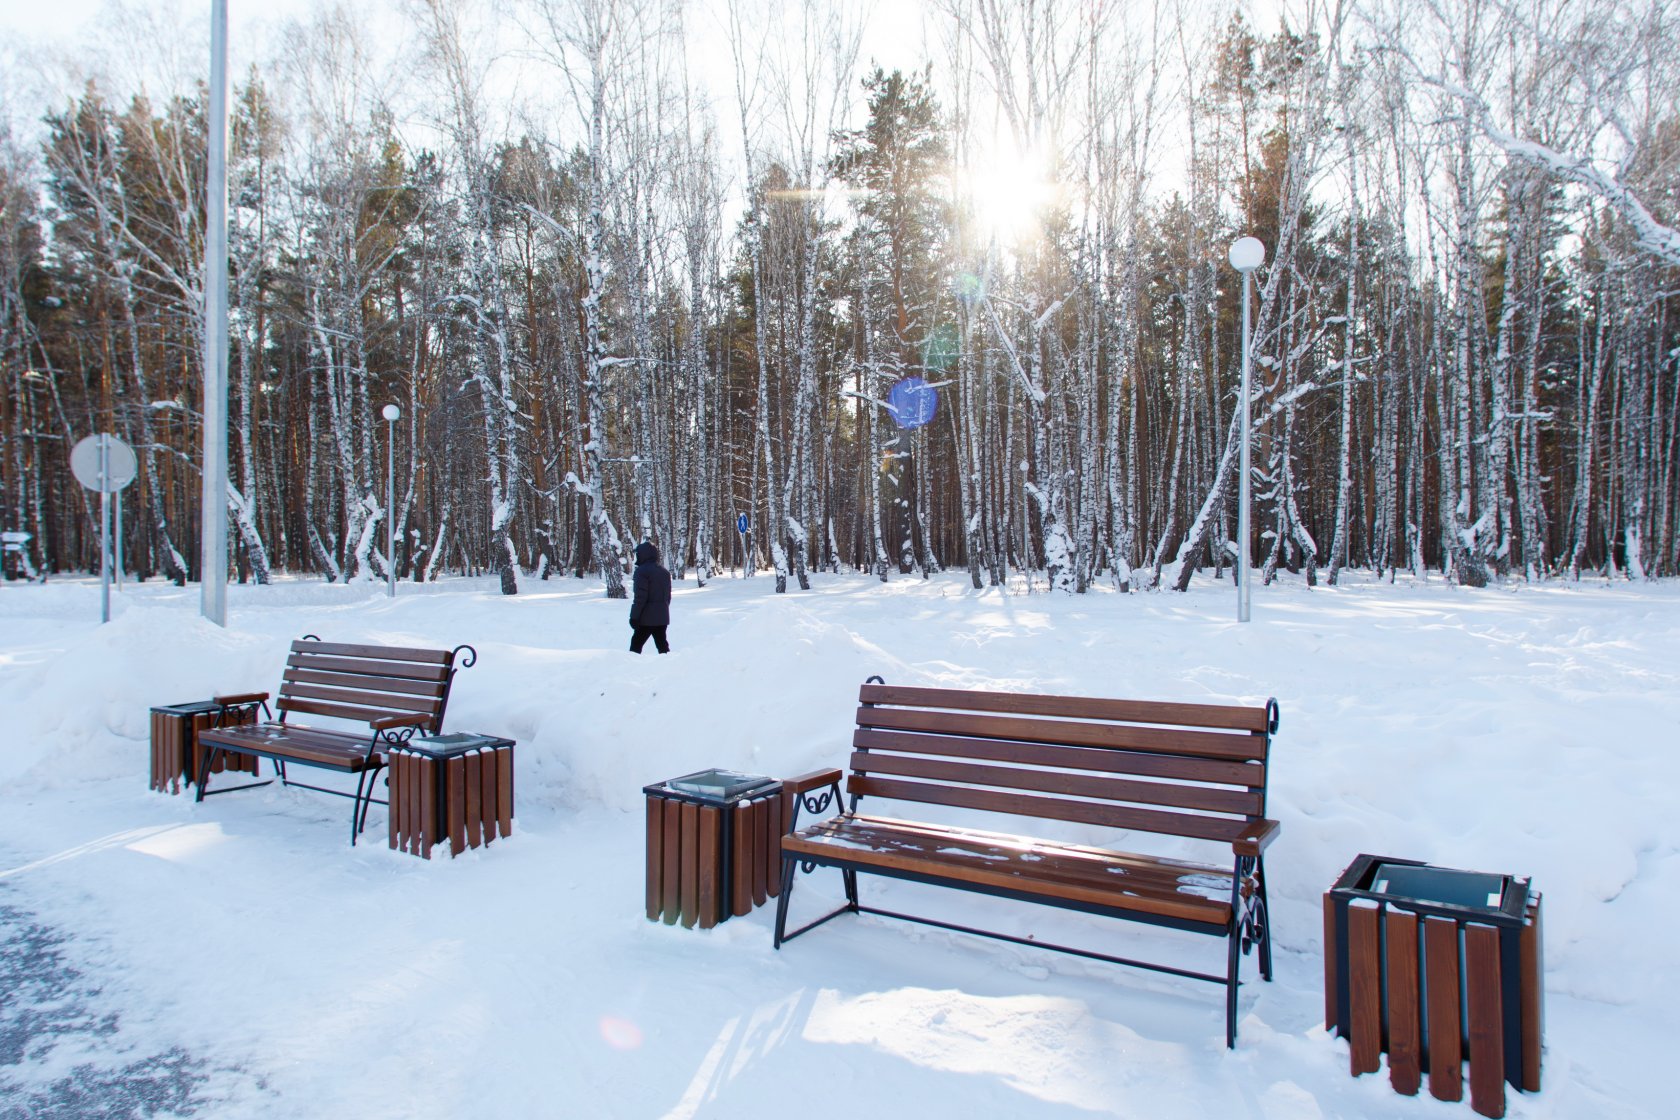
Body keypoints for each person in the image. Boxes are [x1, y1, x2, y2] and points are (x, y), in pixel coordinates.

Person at [629, 541, 672, 654]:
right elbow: (668, 597)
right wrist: (662, 610)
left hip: (646, 619)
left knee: (636, 645)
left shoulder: (641, 572)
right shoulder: (664, 572)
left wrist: (634, 617)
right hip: (662, 617)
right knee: (662, 646)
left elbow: (640, 597)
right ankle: (670, 667)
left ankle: (630, 668)